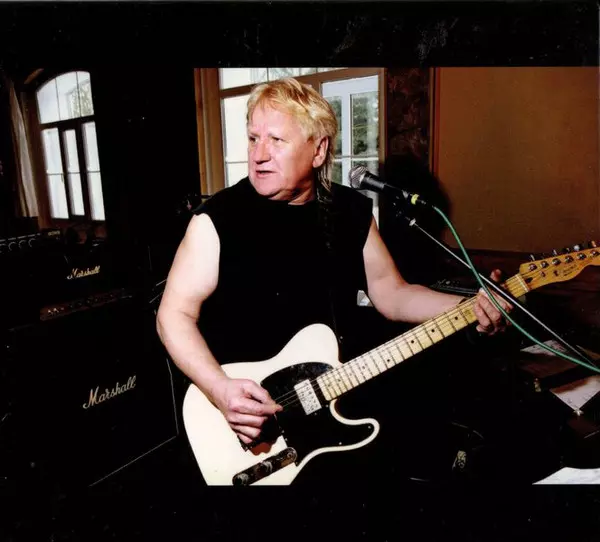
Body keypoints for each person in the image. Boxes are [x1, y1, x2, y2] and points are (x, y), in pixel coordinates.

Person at [156, 77, 512, 479]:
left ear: (319, 150)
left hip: (331, 410)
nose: (259, 154)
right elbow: (172, 316)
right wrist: (220, 389)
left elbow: (392, 293)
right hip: (245, 423)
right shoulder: (216, 221)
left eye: (276, 140)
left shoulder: (350, 210)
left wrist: (470, 306)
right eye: (254, 138)